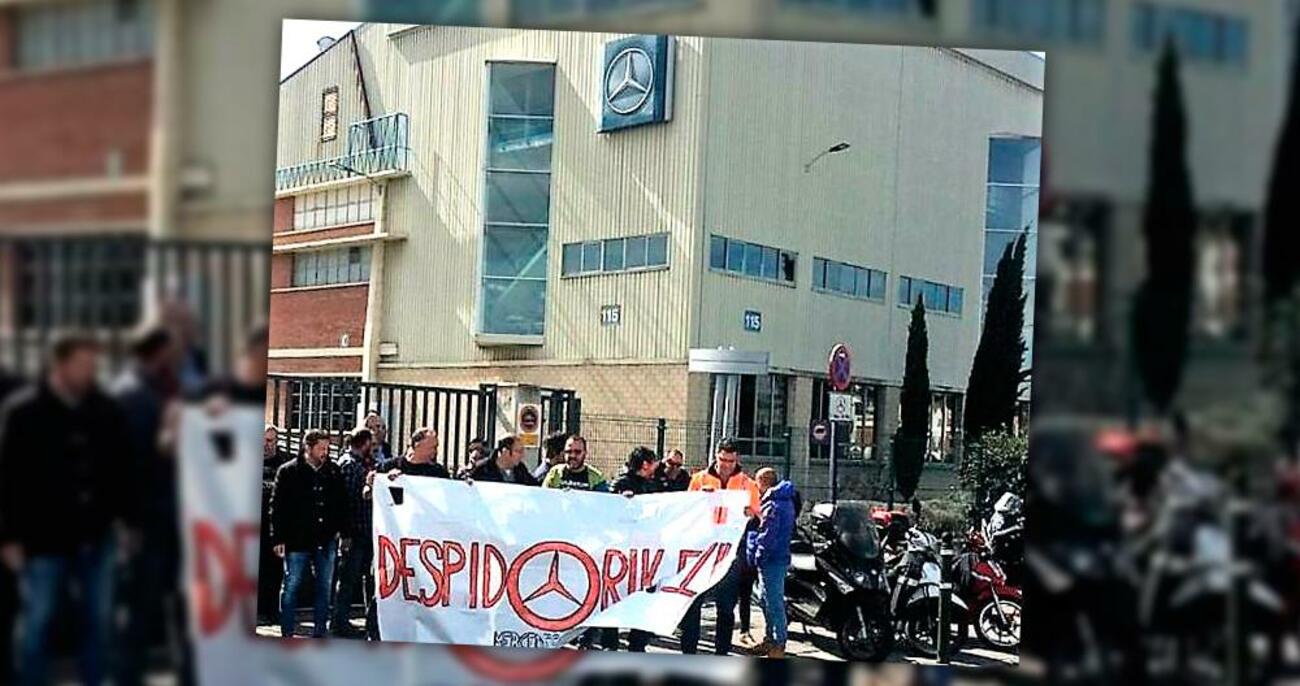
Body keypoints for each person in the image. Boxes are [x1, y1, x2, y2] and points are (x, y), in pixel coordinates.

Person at [0, 333, 138, 686]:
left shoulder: (106, 410)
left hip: (98, 535)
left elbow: (123, 469)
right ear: (60, 365)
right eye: (83, 364)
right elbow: (9, 480)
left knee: (99, 622)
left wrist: (124, 522)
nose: (91, 372)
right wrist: (10, 537)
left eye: (94, 365)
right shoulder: (23, 413)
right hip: (43, 539)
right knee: (37, 624)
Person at [111, 326, 185, 686]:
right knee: (142, 606)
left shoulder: (166, 390)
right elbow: (130, 462)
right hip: (147, 520)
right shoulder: (133, 396)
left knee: (180, 608)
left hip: (172, 518)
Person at [679, 439, 761, 656]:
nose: (725, 465)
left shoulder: (747, 484)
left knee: (725, 607)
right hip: (702, 551)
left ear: (737, 460)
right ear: (715, 456)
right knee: (694, 603)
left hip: (730, 553)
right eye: (722, 459)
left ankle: (721, 654)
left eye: (730, 461)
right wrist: (699, 500)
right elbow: (685, 511)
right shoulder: (698, 480)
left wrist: (750, 515)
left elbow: (759, 518)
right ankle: (688, 652)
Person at [270, 429, 349, 638]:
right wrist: (278, 537)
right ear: (308, 447)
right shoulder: (288, 471)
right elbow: (277, 506)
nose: (325, 452)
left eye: (327, 448)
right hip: (297, 538)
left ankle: (320, 631)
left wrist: (343, 532)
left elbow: (342, 503)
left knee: (324, 587)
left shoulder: (333, 471)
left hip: (326, 538)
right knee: (291, 585)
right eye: (321, 448)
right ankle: (287, 631)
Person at [608, 447, 663, 652]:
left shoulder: (653, 484)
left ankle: (638, 643)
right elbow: (611, 511)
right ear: (646, 464)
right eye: (653, 463)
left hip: (645, 551)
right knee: (616, 599)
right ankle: (610, 643)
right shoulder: (621, 484)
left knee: (643, 599)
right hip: (623, 552)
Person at [744, 468, 796, 659]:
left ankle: (778, 643)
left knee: (773, 602)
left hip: (772, 560)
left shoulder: (772, 505)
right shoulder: (784, 501)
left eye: (757, 482)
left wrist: (757, 556)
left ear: (762, 482)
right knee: (767, 599)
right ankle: (771, 638)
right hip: (778, 557)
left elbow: (767, 536)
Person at [332, 428, 377, 638]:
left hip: (364, 531)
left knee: (366, 579)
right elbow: (347, 502)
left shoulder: (356, 464)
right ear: (365, 442)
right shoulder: (351, 465)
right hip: (356, 532)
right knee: (349, 578)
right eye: (371, 443)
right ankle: (340, 622)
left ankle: (368, 621)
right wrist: (346, 534)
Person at [541, 435, 609, 492]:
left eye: (577, 452)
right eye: (569, 451)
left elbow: (602, 503)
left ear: (585, 453)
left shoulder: (596, 477)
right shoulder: (555, 472)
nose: (572, 455)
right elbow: (544, 496)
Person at [381, 428, 451, 480]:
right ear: (418, 446)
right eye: (432, 447)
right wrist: (385, 479)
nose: (435, 452)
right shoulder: (390, 465)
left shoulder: (439, 472)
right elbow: (374, 484)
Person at [467, 435, 539, 485]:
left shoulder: (521, 470)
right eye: (518, 451)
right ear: (505, 451)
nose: (522, 455)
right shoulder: (482, 470)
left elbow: (535, 487)